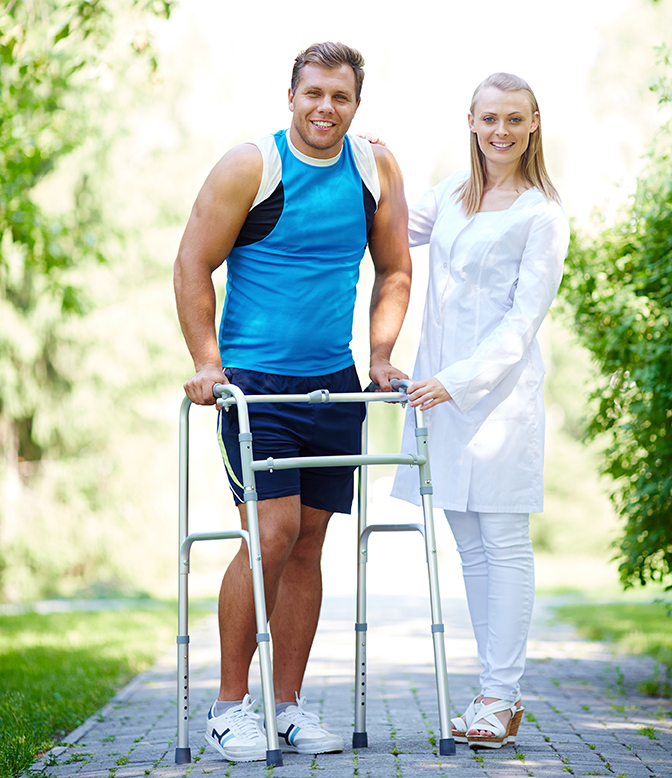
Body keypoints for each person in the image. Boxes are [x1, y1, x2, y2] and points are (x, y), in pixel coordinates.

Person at [173, 42, 411, 763]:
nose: (325, 108)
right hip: (255, 389)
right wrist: (207, 363)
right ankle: (228, 707)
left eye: (340, 96)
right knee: (269, 534)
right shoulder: (252, 165)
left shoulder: (375, 168)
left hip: (334, 385)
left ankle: (287, 707)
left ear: (356, 104)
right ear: (291, 96)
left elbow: (395, 268)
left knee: (308, 543)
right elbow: (192, 262)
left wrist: (379, 357)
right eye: (314, 93)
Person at [391, 72, 570, 750]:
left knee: (504, 542)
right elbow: (385, 223)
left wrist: (455, 380)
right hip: (439, 400)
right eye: (490, 118)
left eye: (514, 119)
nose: (501, 130)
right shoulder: (451, 198)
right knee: (469, 548)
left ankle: (501, 693)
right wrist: (366, 160)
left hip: (497, 402)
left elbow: (523, 322)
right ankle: (493, 691)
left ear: (532, 124)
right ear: (470, 121)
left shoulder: (542, 215)